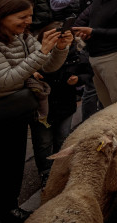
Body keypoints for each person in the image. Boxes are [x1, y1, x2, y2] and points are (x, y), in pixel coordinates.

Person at [0, 0, 71, 223]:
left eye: (29, 16)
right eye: (22, 17)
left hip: (17, 109)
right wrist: (43, 51)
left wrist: (59, 48)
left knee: (13, 165)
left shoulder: (22, 38)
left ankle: (9, 209)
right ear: (1, 16)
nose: (28, 22)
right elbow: (6, 79)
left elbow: (48, 67)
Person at [29, 22, 91, 188]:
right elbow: (25, 70)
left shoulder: (77, 53)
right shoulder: (36, 54)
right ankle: (46, 173)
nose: (60, 41)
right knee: (43, 142)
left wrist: (79, 80)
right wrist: (32, 74)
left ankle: (61, 170)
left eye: (64, 37)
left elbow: (88, 73)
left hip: (65, 104)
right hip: (42, 107)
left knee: (63, 138)